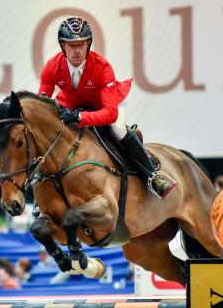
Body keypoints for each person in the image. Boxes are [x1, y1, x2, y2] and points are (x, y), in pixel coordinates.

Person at [38, 16, 176, 199]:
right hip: (70, 104)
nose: (77, 50)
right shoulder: (51, 66)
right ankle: (41, 182)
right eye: (71, 45)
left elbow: (110, 113)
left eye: (81, 44)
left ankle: (153, 176)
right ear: (62, 46)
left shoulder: (102, 67)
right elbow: (42, 103)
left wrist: (80, 118)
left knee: (117, 128)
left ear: (88, 44)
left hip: (102, 107)